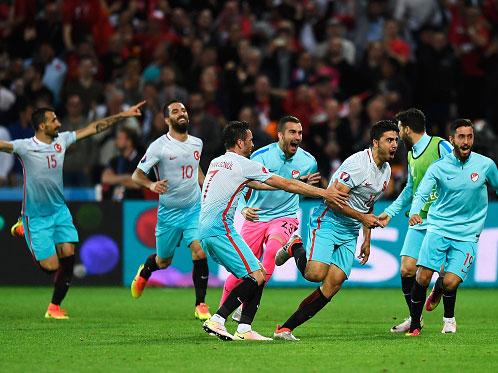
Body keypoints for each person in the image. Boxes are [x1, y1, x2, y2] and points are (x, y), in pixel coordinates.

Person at [200, 121, 348, 341]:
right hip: (221, 229)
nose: (252, 144)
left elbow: (261, 184)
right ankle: (218, 319)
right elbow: (284, 185)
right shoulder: (245, 163)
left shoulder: (217, 162)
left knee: (256, 272)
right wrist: (324, 193)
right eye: (249, 140)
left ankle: (244, 329)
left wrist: (296, 181)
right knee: (256, 275)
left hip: (204, 231)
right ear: (240, 142)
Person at [0, 101, 145, 319]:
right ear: (41, 126)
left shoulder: (62, 140)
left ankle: (54, 307)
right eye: (53, 120)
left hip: (60, 212)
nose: (58, 123)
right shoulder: (24, 146)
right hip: (36, 216)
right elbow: (2, 145)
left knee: (68, 257)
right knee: (51, 267)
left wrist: (122, 115)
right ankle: (23, 228)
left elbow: (93, 128)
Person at [274, 120, 400, 341]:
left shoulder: (386, 170)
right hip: (329, 220)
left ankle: (285, 328)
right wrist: (363, 218)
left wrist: (366, 237)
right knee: (314, 274)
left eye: (396, 140)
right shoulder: (358, 165)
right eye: (389, 140)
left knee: (333, 284)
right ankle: (295, 245)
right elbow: (332, 200)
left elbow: (368, 204)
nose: (394, 145)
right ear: (375, 142)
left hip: (350, 229)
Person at [221, 115, 320, 321]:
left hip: (285, 217)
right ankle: (220, 315)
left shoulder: (309, 161)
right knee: (240, 270)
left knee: (273, 252)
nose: (298, 137)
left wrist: (308, 186)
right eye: (292, 132)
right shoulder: (260, 156)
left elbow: (301, 188)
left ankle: (244, 306)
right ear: (280, 135)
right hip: (256, 218)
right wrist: (243, 208)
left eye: (300, 133)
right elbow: (241, 185)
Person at [406, 119, 498, 336]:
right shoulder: (438, 167)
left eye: (470, 136)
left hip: (467, 234)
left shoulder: (485, 165)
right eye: (461, 137)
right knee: (422, 276)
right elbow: (421, 193)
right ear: (452, 139)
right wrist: (416, 211)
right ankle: (415, 325)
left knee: (450, 281)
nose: (466, 142)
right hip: (439, 227)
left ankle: (447, 315)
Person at [130, 101, 212, 321]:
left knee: (199, 250)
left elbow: (197, 170)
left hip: (194, 208)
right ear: (167, 120)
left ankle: (200, 304)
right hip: (168, 214)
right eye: (175, 112)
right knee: (163, 261)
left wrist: (207, 188)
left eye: (184, 110)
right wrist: (151, 185)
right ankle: (146, 271)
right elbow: (136, 175)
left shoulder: (197, 143)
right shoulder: (159, 146)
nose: (181, 113)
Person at [376, 108, 453, 333]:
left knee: (442, 273)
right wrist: (390, 211)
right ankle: (414, 318)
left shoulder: (441, 146)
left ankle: (445, 307)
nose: (398, 134)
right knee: (407, 270)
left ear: (407, 128)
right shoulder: (411, 154)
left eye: (399, 128)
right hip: (418, 220)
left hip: (440, 220)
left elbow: (459, 172)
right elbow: (411, 188)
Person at [101, 126, 142, 200]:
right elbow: (105, 178)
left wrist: (115, 178)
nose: (117, 141)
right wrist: (126, 177)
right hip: (115, 204)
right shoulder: (114, 160)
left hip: (134, 203)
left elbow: (138, 184)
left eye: (120, 138)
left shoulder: (141, 161)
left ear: (129, 142)